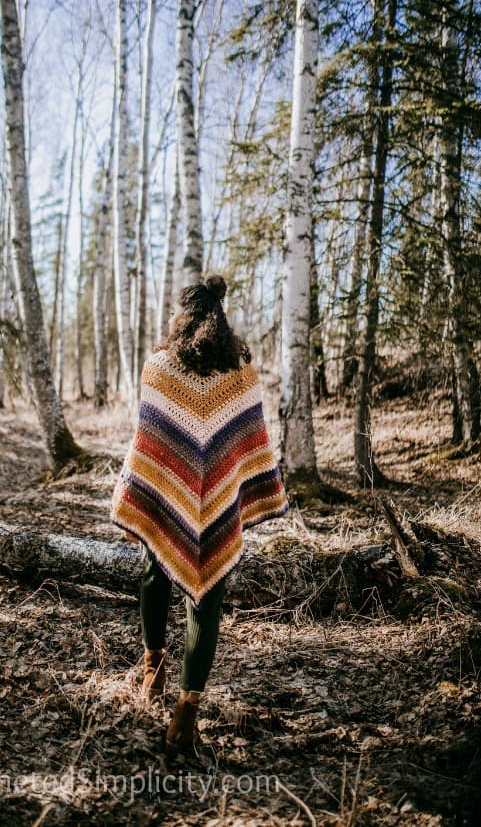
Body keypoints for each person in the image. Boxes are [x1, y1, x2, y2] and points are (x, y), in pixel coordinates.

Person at [110, 275, 288, 759]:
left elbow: (148, 439)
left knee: (154, 575)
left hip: (172, 493)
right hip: (201, 500)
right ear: (221, 318)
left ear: (182, 315)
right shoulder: (240, 373)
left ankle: (158, 672)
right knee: (206, 599)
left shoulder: (162, 367)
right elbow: (162, 438)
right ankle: (183, 708)